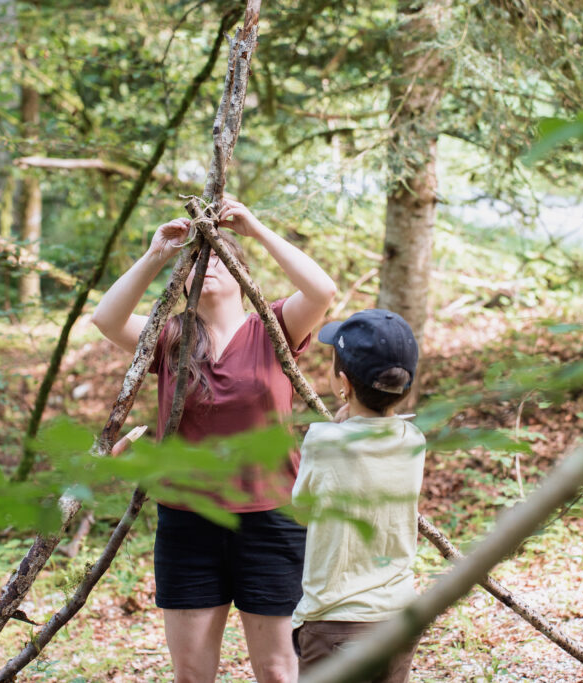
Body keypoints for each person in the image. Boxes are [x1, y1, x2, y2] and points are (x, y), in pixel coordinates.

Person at [91, 197, 336, 683]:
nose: (207, 268)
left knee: (278, 671)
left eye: (219, 257)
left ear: (242, 271)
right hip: (188, 524)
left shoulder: (274, 325)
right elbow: (107, 320)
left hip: (272, 519)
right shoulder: (170, 337)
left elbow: (322, 289)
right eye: (197, 261)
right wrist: (157, 254)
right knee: (191, 674)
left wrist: (255, 228)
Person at [291, 309, 426, 682]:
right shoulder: (413, 439)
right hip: (397, 616)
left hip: (337, 619)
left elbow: (302, 510)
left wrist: (335, 429)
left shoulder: (323, 441)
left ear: (344, 384)